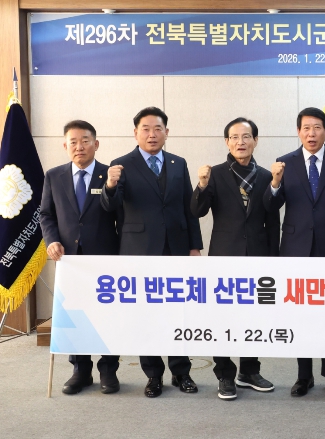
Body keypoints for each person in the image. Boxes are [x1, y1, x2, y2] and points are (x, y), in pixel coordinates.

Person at [101, 106, 203, 398]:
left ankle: (181, 373)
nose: (152, 134)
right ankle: (153, 375)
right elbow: (110, 207)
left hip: (176, 249)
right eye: (145, 129)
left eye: (158, 128)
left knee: (178, 312)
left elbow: (189, 208)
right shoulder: (121, 165)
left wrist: (194, 246)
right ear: (135, 133)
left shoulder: (178, 163)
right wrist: (110, 185)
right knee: (145, 315)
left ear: (166, 132)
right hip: (139, 251)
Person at [263, 107, 325, 398]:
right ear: (298, 132)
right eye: (306, 128)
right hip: (296, 250)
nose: (311, 133)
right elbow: (270, 206)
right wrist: (274, 183)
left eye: (317, 127)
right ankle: (304, 376)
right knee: (300, 315)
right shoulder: (285, 163)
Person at [192, 117, 279, 401]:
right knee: (223, 317)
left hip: (257, 255)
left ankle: (249, 371)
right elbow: (197, 211)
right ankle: (225, 375)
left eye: (246, 136)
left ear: (256, 140)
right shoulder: (215, 174)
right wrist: (202, 185)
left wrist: (274, 258)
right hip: (224, 255)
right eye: (234, 137)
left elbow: (272, 220)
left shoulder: (265, 176)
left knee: (254, 315)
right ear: (227, 142)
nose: (240, 142)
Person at [40, 120, 120, 395]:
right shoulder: (54, 176)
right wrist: (51, 240)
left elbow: (120, 214)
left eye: (85, 141)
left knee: (106, 315)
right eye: (73, 142)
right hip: (69, 259)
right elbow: (46, 214)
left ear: (96, 144)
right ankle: (80, 371)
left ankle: (109, 371)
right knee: (76, 315)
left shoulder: (110, 174)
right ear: (65, 146)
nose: (79, 147)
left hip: (105, 257)